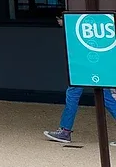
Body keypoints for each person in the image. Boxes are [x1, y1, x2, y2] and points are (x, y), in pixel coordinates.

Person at [45, 11, 116, 143]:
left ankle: (65, 131)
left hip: (83, 68)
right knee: (107, 98)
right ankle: (65, 130)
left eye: (58, 18)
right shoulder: (95, 23)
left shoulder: (74, 27)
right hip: (99, 66)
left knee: (73, 95)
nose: (58, 22)